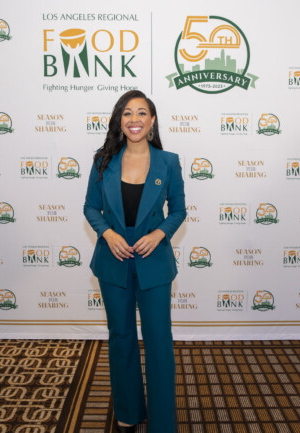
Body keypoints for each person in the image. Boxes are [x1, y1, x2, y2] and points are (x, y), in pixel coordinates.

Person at [84, 90, 186, 432]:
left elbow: (179, 210)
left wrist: (159, 234)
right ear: (120, 121)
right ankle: (128, 410)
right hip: (112, 262)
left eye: (142, 113)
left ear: (153, 120)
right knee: (121, 336)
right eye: (128, 113)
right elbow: (90, 208)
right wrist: (108, 234)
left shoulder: (168, 161)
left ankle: (161, 422)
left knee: (159, 341)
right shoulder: (103, 160)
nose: (135, 120)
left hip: (154, 263)